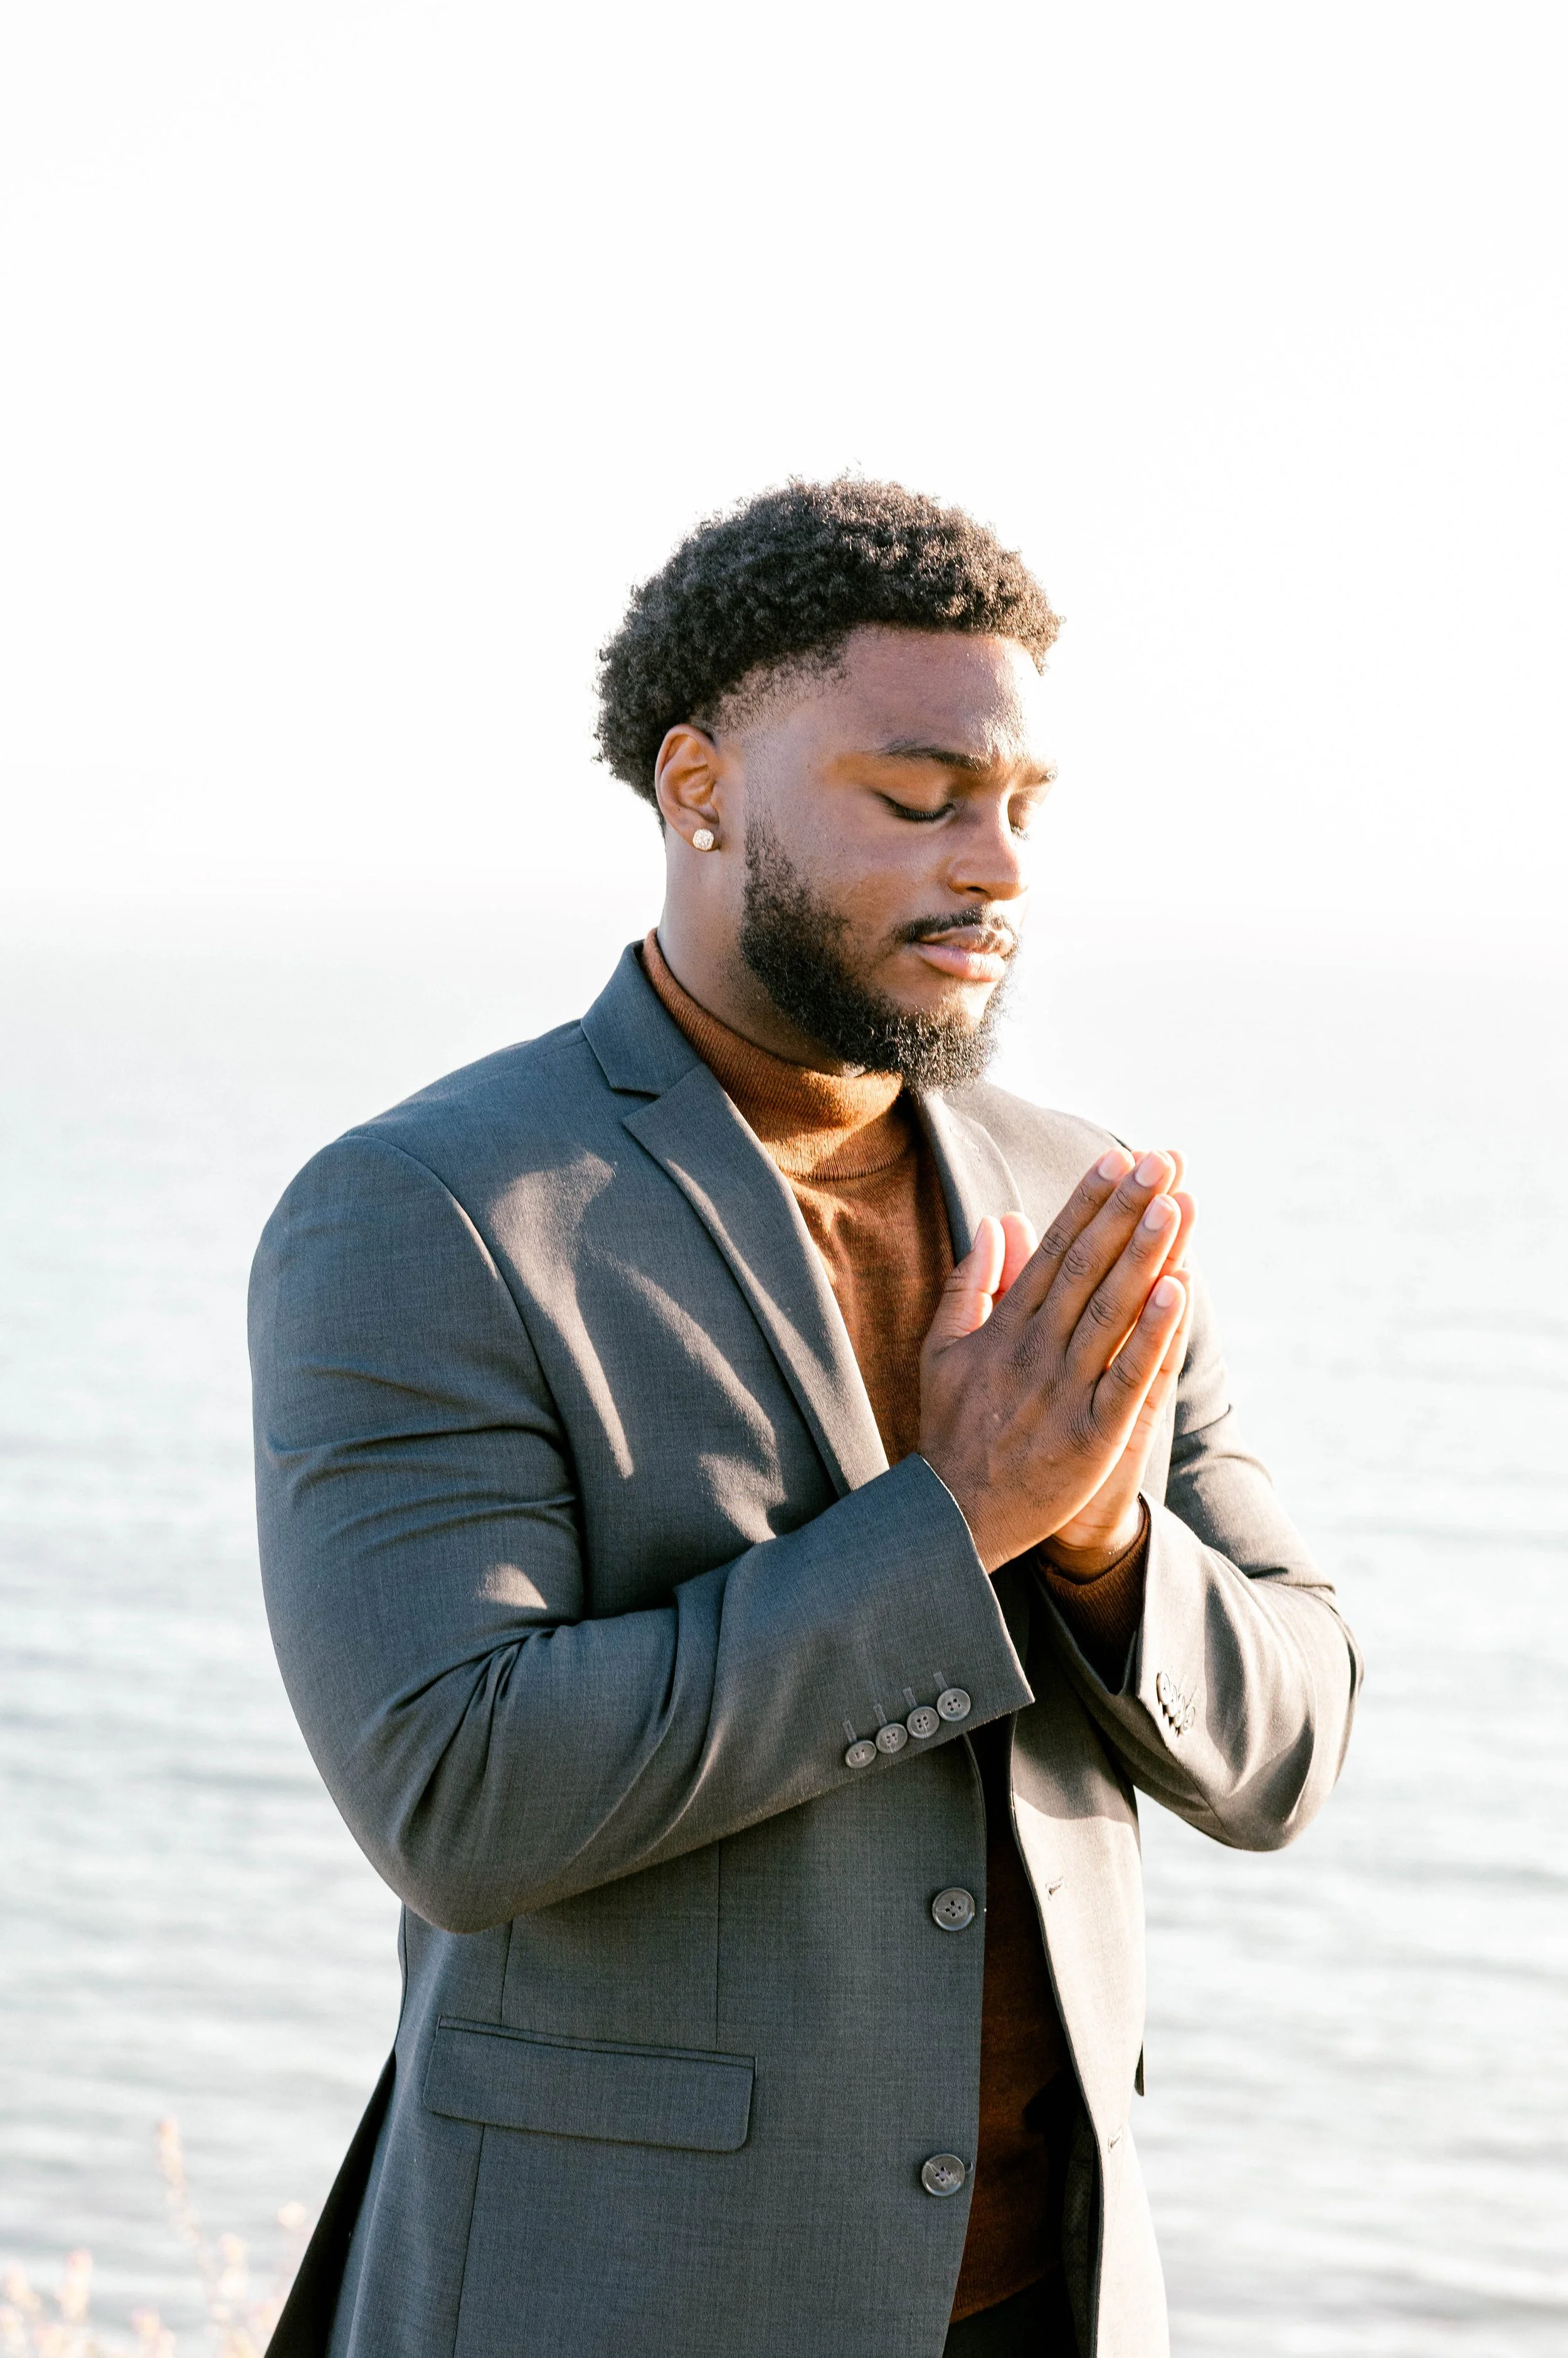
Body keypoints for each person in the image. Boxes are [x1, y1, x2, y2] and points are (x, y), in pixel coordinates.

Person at [250, 478, 1361, 2358]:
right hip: (610, 2303)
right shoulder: (427, 1208)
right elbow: (457, 1791)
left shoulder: (1081, 1198)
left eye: (1019, 807)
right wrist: (963, 1521)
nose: (994, 862)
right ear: (700, 790)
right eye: (919, 799)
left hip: (1050, 2307)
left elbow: (1290, 1738)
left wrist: (1091, 1538)